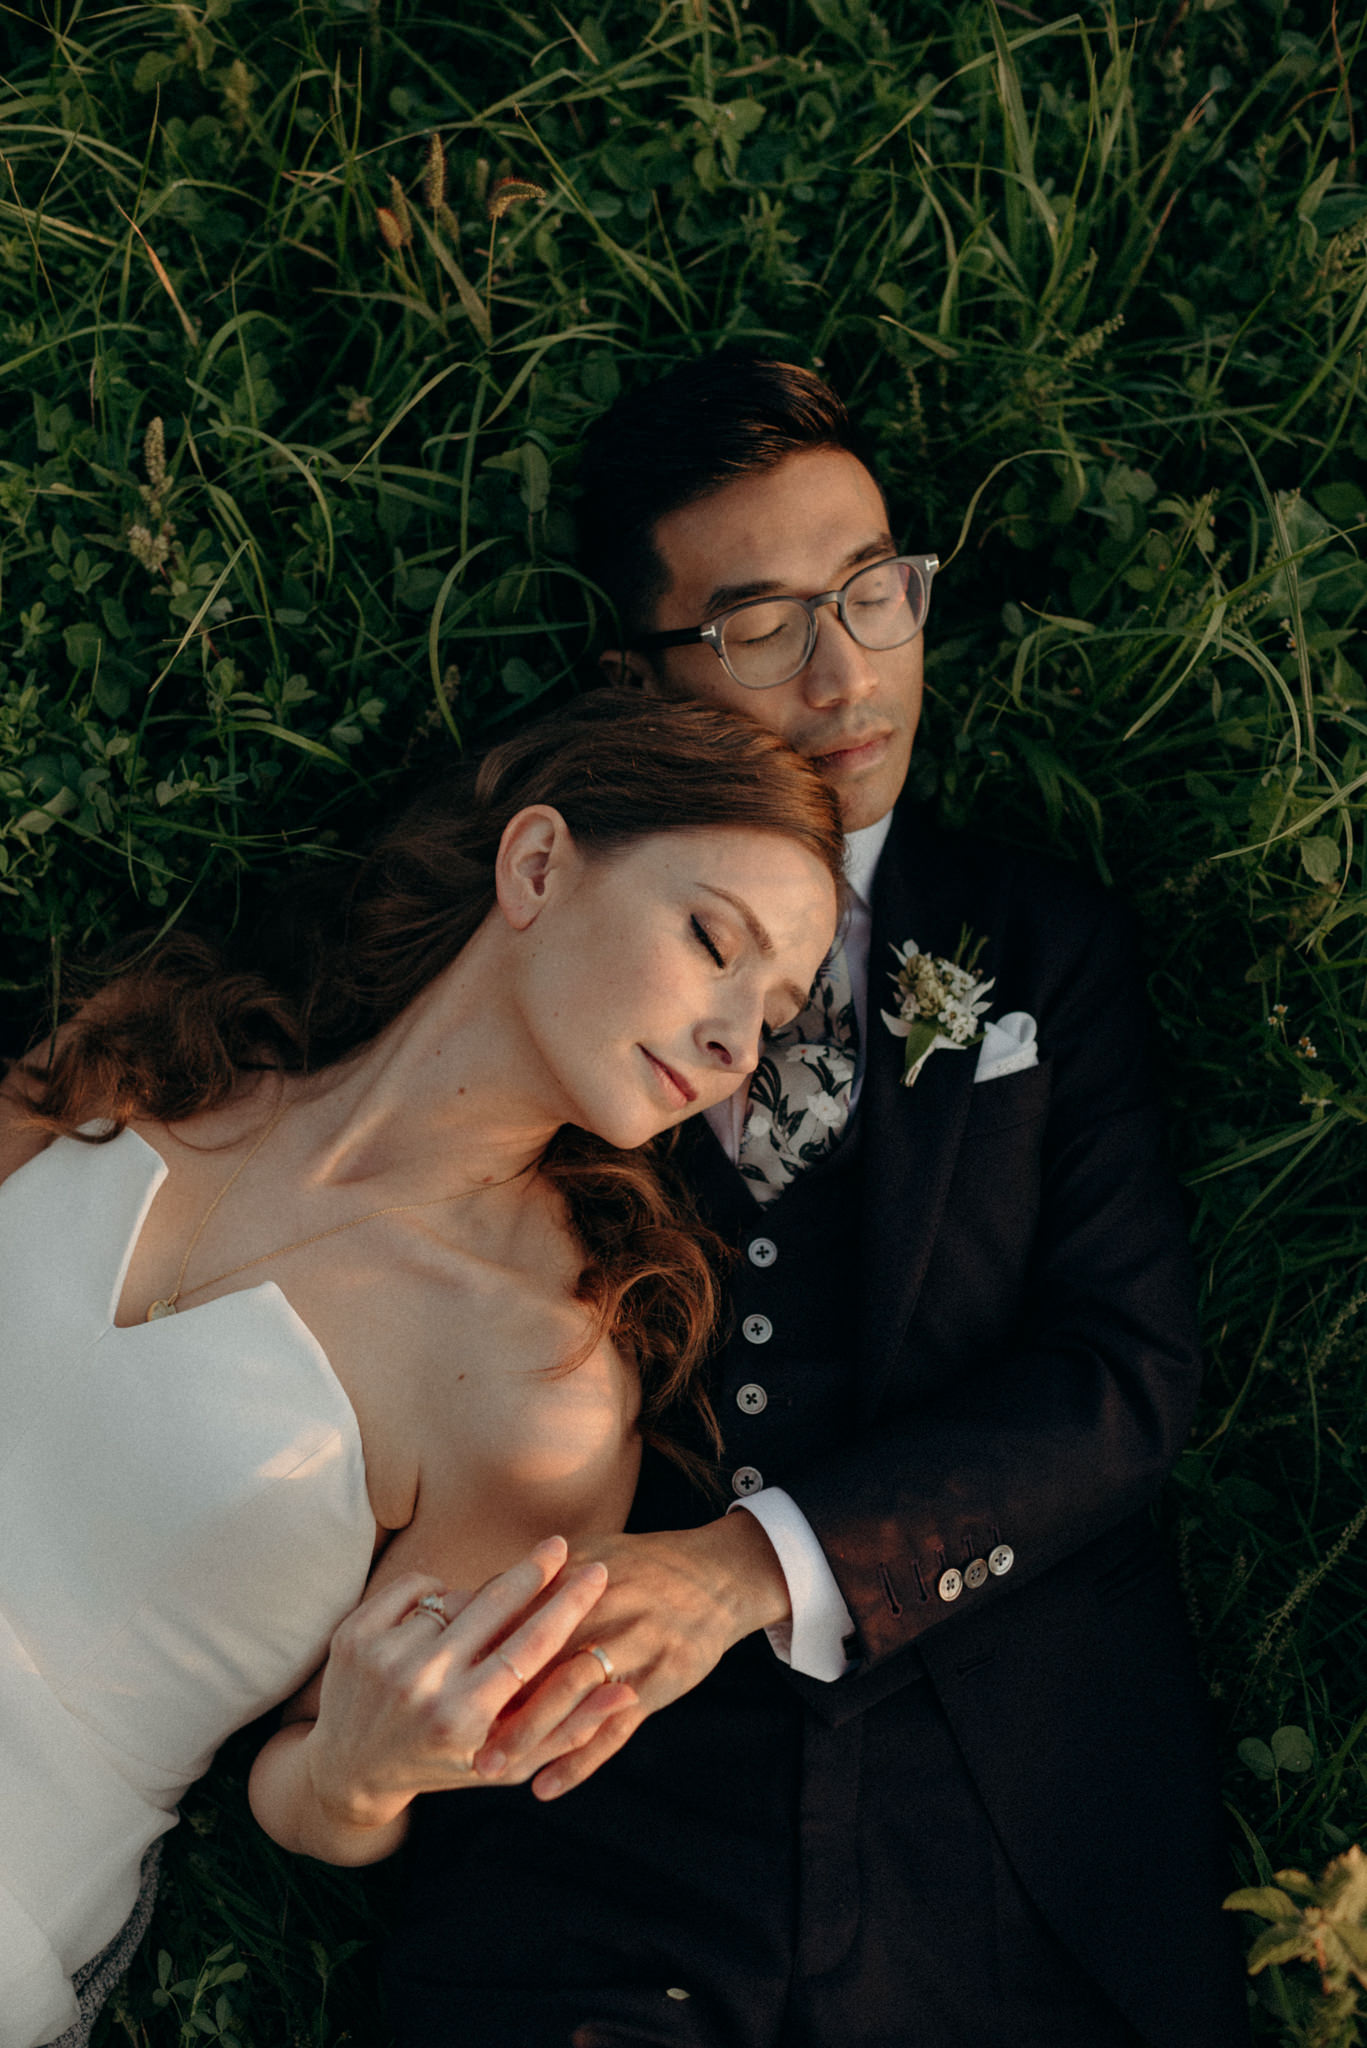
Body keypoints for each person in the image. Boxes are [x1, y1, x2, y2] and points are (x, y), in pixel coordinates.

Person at [386, 358, 1252, 2046]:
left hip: (1004, 1820)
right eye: (762, 621)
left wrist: (749, 1568)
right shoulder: (539, 918)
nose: (845, 672)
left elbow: (1127, 1376)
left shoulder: (1044, 944)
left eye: (873, 593)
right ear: (639, 672)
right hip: (594, 1811)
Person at [0, 692, 844, 2048]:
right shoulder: (149, 1056)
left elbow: (311, 1793)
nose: (736, 1041)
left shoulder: (538, 1395)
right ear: (539, 865)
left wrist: (361, 1771)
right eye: (712, 943)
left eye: (775, 1013)